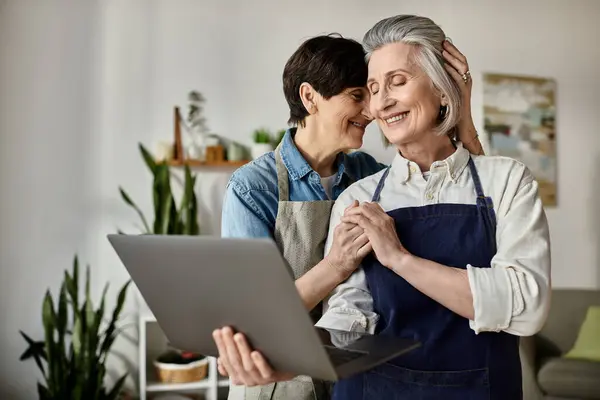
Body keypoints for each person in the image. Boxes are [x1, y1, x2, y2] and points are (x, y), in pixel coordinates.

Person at [215, 32, 483, 400]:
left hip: (349, 376)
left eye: (369, 95)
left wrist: (462, 116)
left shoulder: (366, 175)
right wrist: (336, 265)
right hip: (276, 383)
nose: (371, 111)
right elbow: (256, 317)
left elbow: (468, 188)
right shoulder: (251, 189)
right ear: (310, 98)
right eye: (358, 96)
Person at [312, 15, 551, 399]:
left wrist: (399, 258)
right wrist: (302, 349)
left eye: (398, 82)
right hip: (374, 390)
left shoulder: (506, 181)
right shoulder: (358, 198)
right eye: (374, 88)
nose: (383, 101)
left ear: (443, 91)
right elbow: (350, 314)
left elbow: (526, 308)